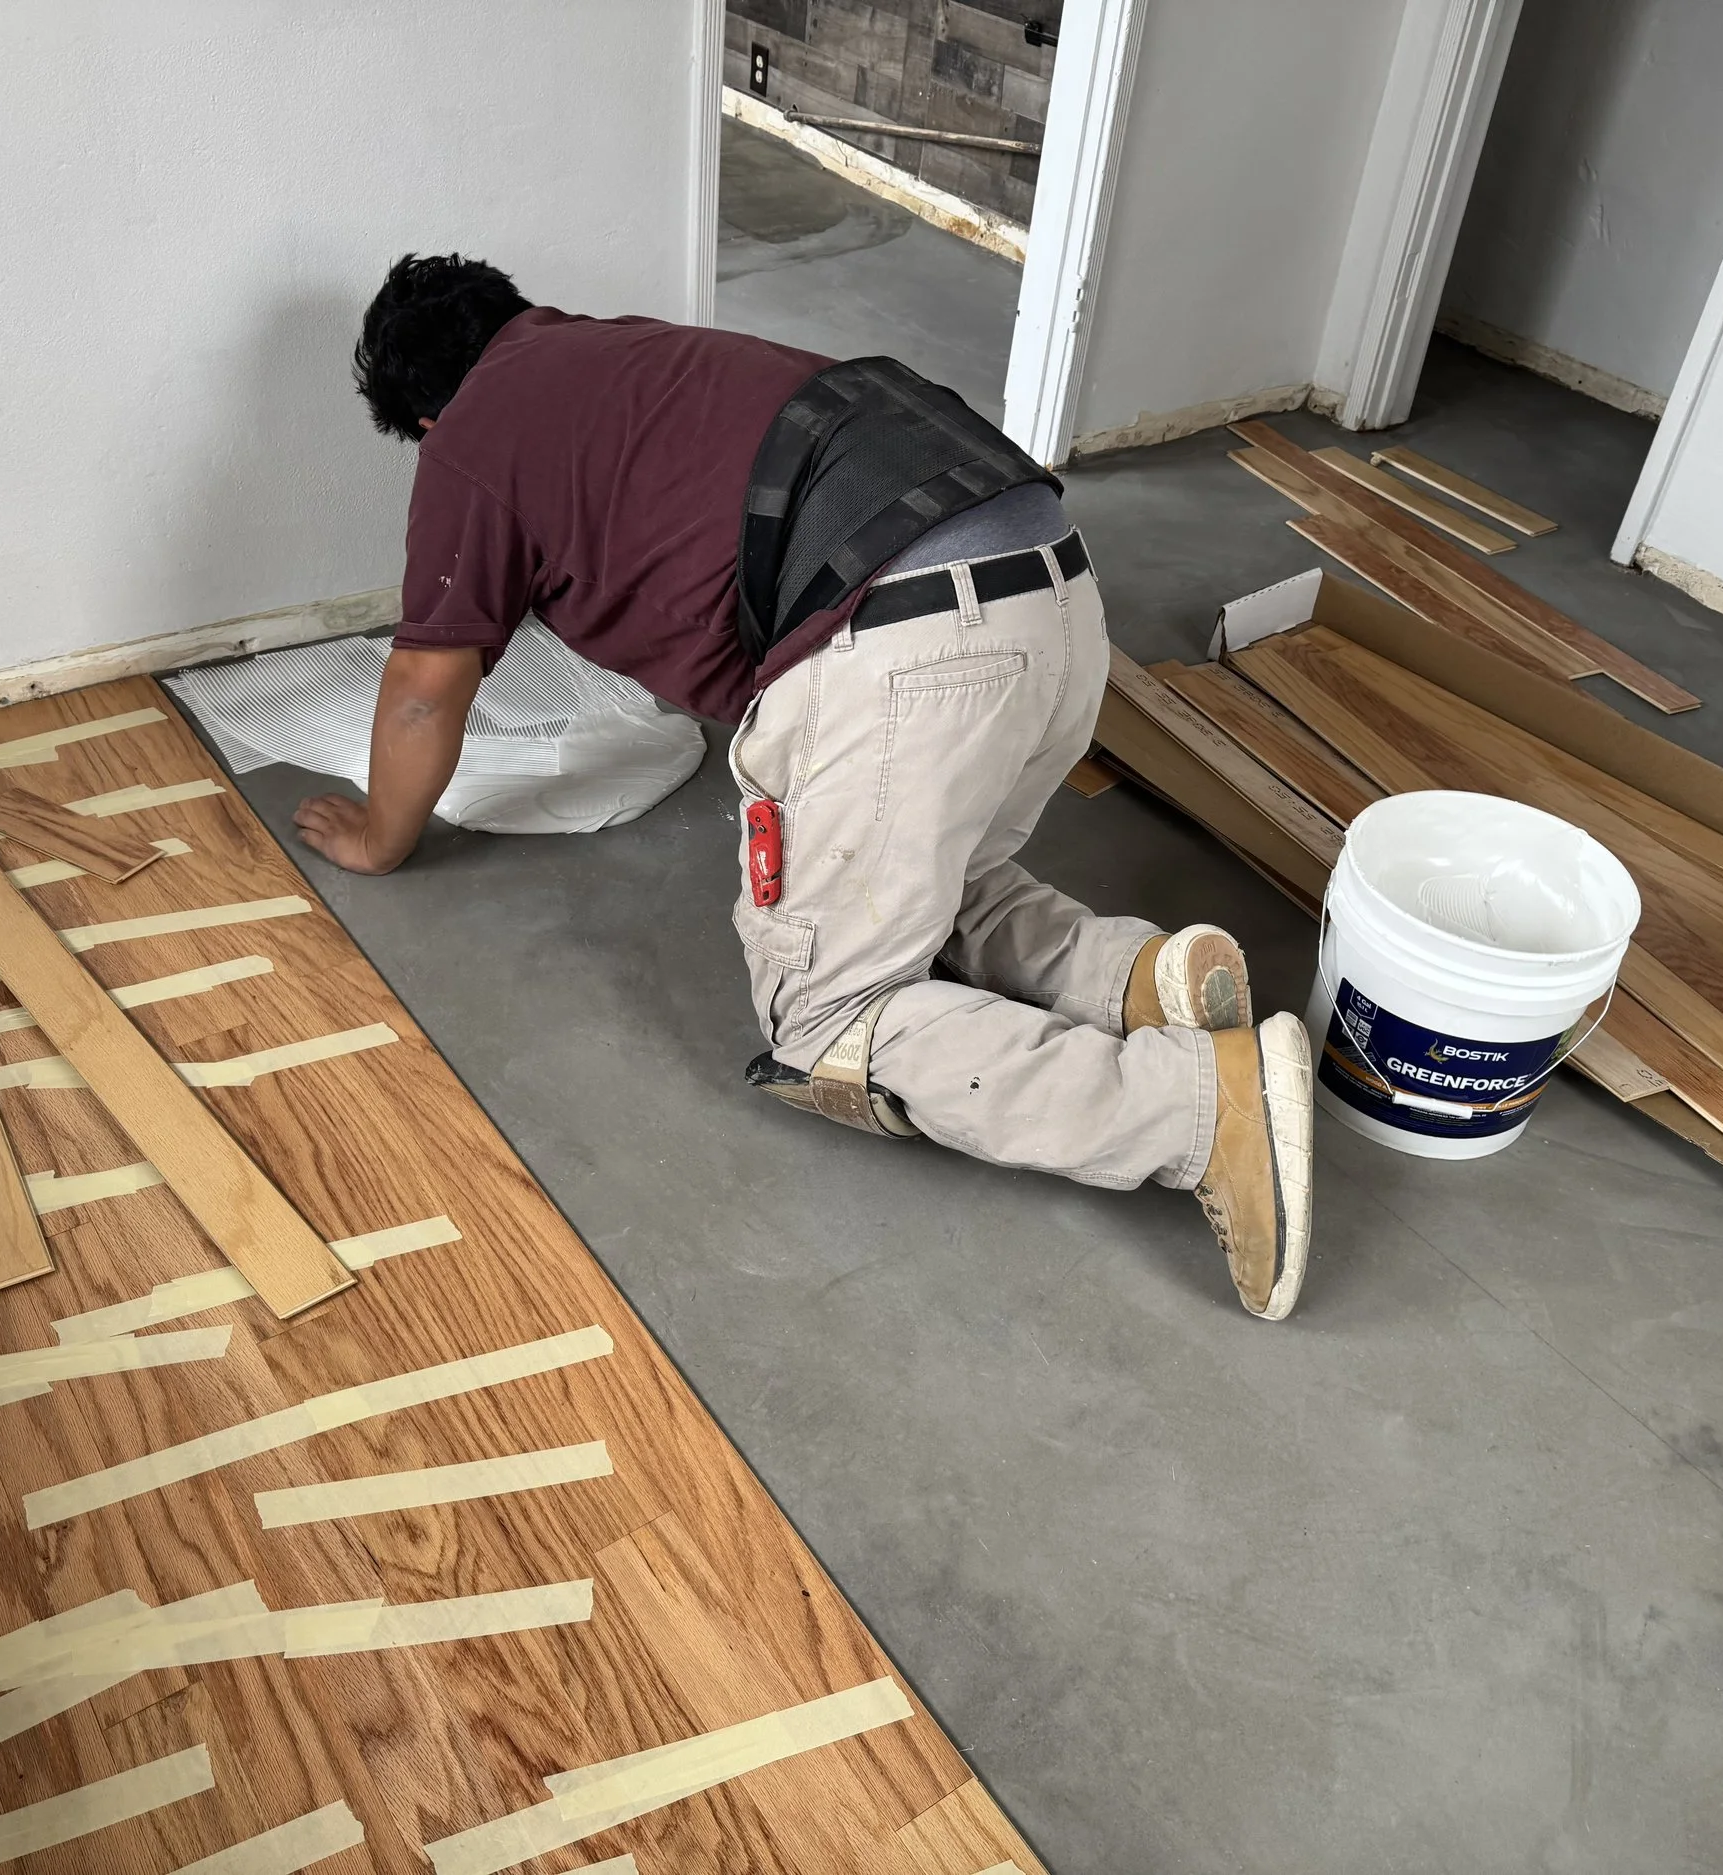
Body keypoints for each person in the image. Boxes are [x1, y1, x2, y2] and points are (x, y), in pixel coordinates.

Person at [296, 254, 1314, 1319]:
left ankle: (1198, 1110)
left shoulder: (472, 435)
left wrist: (380, 835)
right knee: (918, 868)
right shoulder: (632, 355)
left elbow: (424, 684)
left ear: (421, 417)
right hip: (1055, 589)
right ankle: (1133, 981)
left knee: (829, 1015)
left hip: (912, 639)